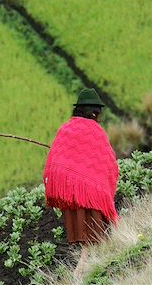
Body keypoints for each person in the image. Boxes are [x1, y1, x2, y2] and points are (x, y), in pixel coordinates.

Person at [43, 88, 119, 278]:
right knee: (94, 236)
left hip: (72, 193)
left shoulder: (66, 128)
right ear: (94, 112)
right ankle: (84, 271)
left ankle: (84, 268)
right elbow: (107, 162)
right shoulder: (95, 131)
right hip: (90, 193)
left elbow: (56, 157)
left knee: (85, 235)